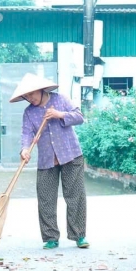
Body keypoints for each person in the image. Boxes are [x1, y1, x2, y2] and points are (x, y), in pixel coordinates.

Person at [11, 73, 89, 250]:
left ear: (41, 90)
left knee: (75, 196)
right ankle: (51, 237)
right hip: (47, 160)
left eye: (32, 94)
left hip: (71, 155)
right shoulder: (29, 112)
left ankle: (79, 235)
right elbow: (26, 133)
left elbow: (79, 117)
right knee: (45, 198)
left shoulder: (60, 99)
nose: (30, 98)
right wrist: (25, 149)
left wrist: (60, 114)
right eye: (26, 96)